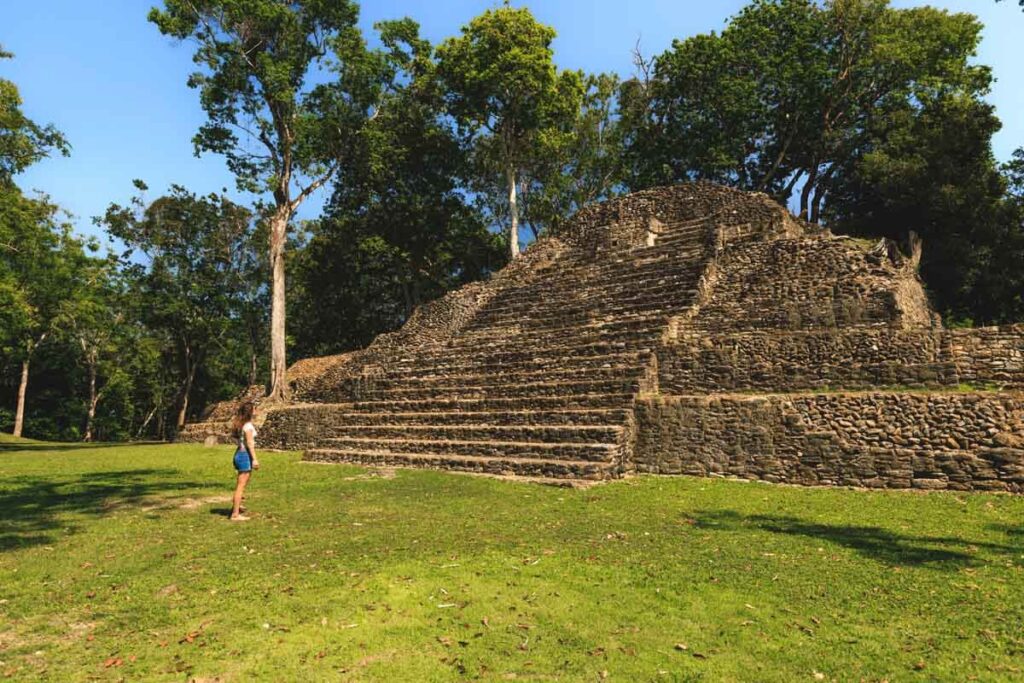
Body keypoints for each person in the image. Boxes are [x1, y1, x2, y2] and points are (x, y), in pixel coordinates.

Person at [229, 401, 260, 521]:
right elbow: (250, 443)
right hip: (244, 456)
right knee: (241, 486)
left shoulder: (240, 424)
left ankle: (237, 505)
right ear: (250, 411)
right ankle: (235, 514)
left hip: (239, 454)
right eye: (254, 409)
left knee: (241, 484)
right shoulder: (248, 426)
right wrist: (255, 459)